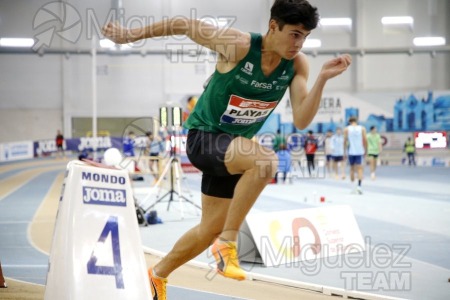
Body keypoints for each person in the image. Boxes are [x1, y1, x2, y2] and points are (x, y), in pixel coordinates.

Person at [102, 1, 352, 298]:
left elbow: (301, 119)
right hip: (204, 138)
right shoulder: (238, 45)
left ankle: (157, 275)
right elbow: (183, 23)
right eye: (295, 34)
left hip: (233, 151)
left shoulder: (298, 65)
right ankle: (229, 243)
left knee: (207, 230)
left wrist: (322, 79)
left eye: (305, 37)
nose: (299, 43)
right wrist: (131, 35)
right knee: (264, 162)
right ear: (273, 26)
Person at [344, 117, 367, 194]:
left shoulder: (347, 129)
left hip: (351, 152)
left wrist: (344, 152)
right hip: (359, 151)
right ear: (357, 121)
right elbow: (365, 140)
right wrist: (366, 150)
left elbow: (345, 141)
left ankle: (352, 187)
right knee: (360, 169)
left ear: (349, 122)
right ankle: (359, 187)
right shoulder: (362, 128)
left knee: (352, 169)